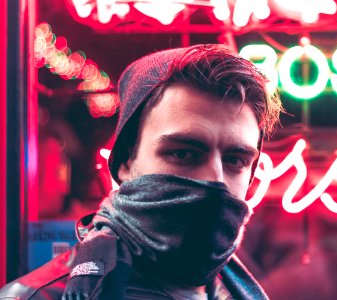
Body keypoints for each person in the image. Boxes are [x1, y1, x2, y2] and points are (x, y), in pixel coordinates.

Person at [0, 44, 282, 299]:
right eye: (184, 153)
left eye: (235, 160)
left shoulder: (236, 291)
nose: (215, 181)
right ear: (124, 162)